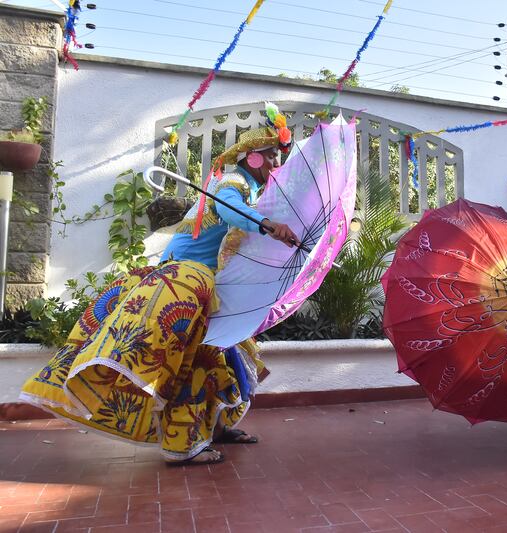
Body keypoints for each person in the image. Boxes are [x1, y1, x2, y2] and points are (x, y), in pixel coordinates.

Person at [20, 102, 298, 466]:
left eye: (279, 157)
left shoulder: (251, 190)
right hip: (187, 277)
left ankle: (215, 427)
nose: (277, 164)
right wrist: (266, 224)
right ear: (254, 158)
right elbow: (230, 211)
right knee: (192, 362)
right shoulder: (231, 183)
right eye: (272, 156)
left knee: (225, 356)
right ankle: (182, 444)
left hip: (208, 283)